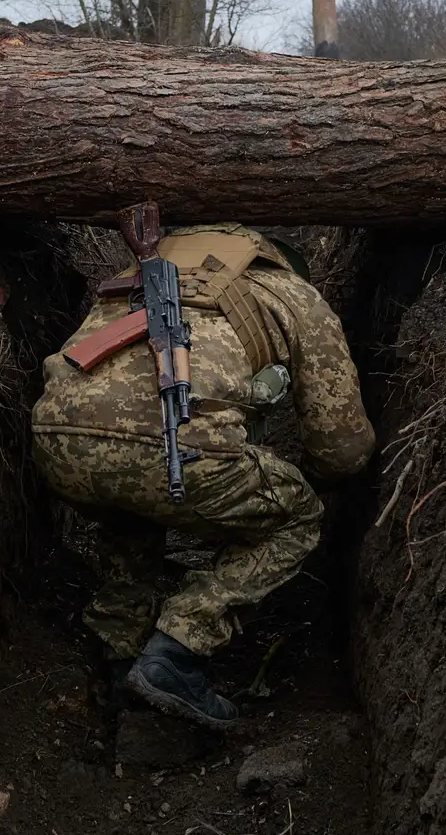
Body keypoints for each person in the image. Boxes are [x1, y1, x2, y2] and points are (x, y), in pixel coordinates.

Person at [32, 223, 374, 728]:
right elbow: (344, 449)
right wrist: (296, 479)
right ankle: (181, 645)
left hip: (56, 442)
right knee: (296, 516)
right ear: (277, 262)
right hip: (177, 456)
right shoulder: (297, 296)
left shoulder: (129, 275)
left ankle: (118, 649)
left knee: (128, 505)